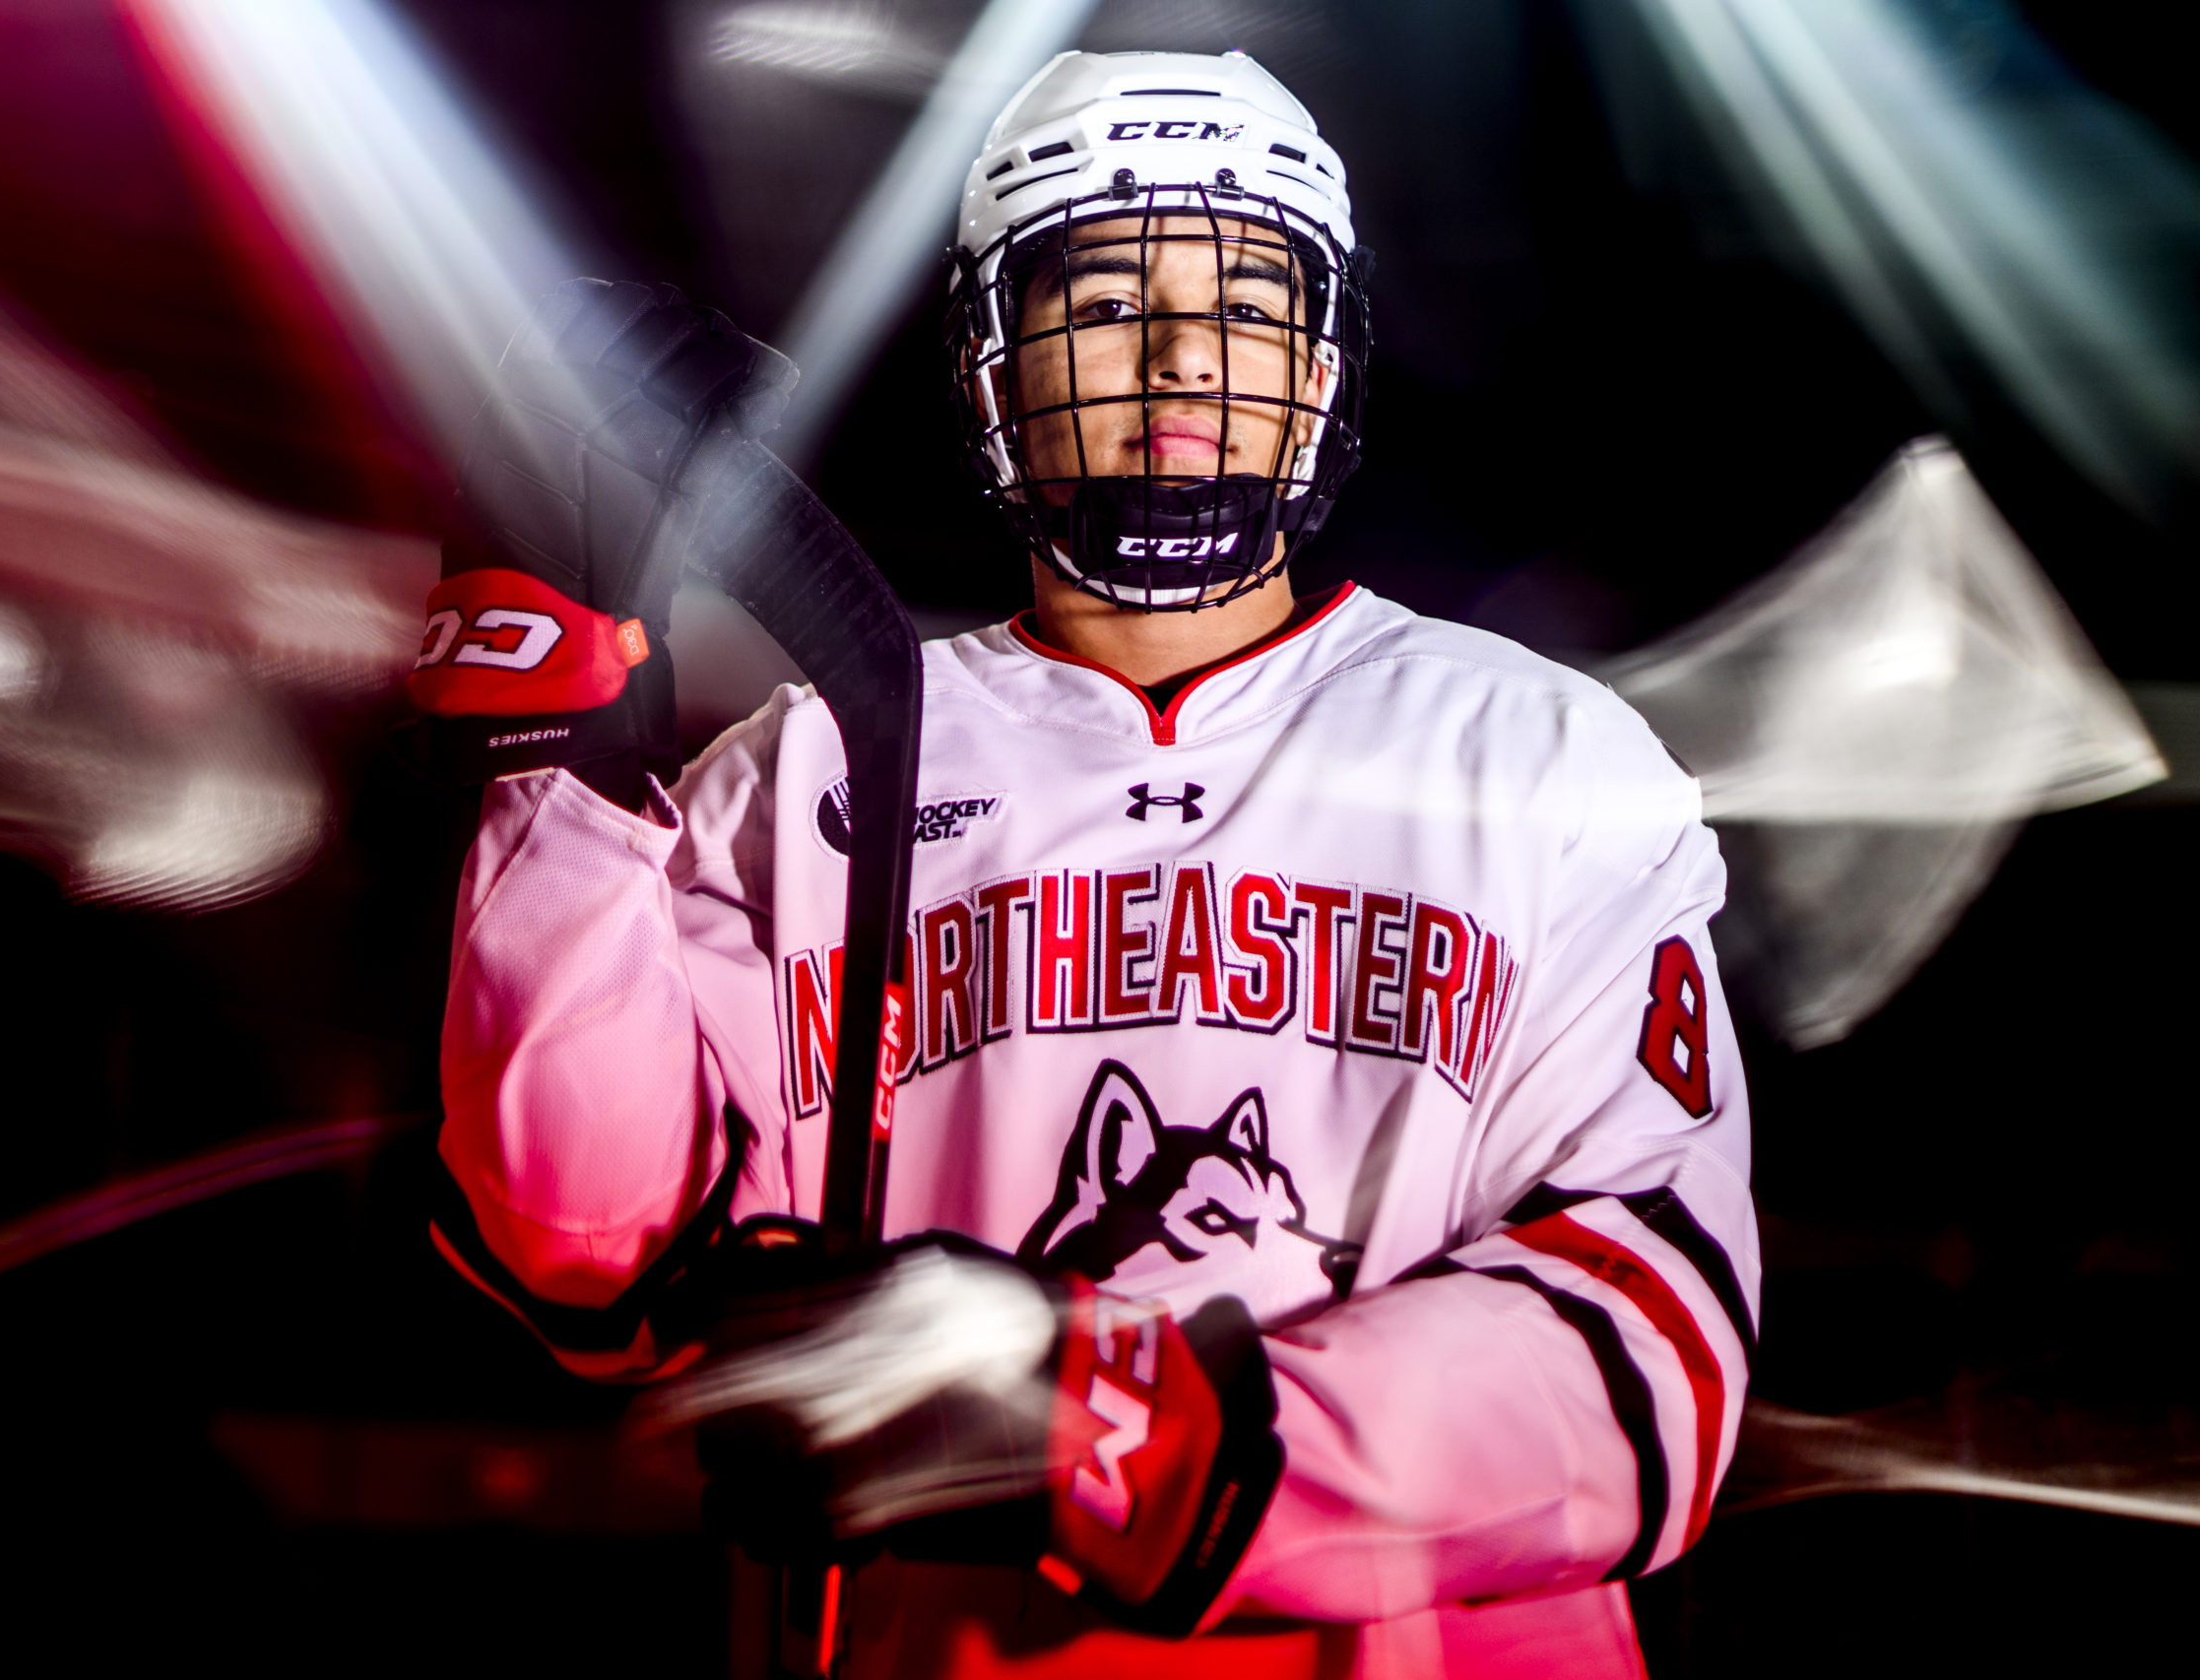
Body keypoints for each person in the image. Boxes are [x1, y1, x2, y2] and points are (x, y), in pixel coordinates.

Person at [417, 48, 1757, 1680]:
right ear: (994, 357)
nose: (1189, 352)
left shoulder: (1546, 761)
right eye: (1111, 298)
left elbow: (1647, 1360)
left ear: (1326, 359)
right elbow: (599, 1251)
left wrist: (1107, 1419)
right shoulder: (811, 765)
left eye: (1252, 304)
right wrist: (552, 766)